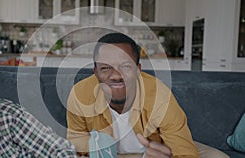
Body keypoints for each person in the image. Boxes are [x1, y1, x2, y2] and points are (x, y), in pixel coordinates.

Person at [66, 32, 229, 158]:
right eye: (106, 68)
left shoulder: (159, 95)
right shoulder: (80, 94)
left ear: (138, 69)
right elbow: (75, 139)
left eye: (125, 66)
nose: (116, 75)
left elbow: (184, 152)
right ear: (95, 71)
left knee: (218, 156)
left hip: (157, 152)